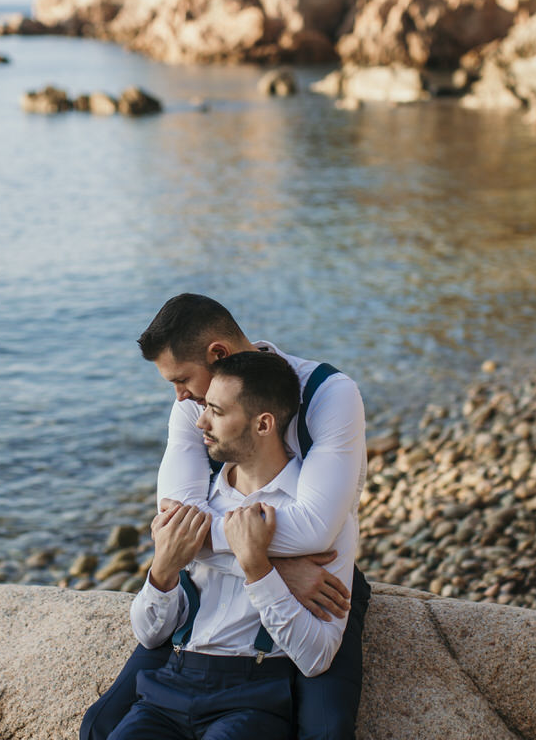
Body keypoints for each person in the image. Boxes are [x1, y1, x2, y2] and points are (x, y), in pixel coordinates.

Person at [81, 294, 370, 740]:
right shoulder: (191, 408)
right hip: (262, 580)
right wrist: (274, 569)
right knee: (100, 726)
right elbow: (174, 523)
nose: (179, 397)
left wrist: (252, 561)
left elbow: (315, 528)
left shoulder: (328, 393)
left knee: (326, 732)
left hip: (321, 580)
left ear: (217, 356)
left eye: (182, 379)